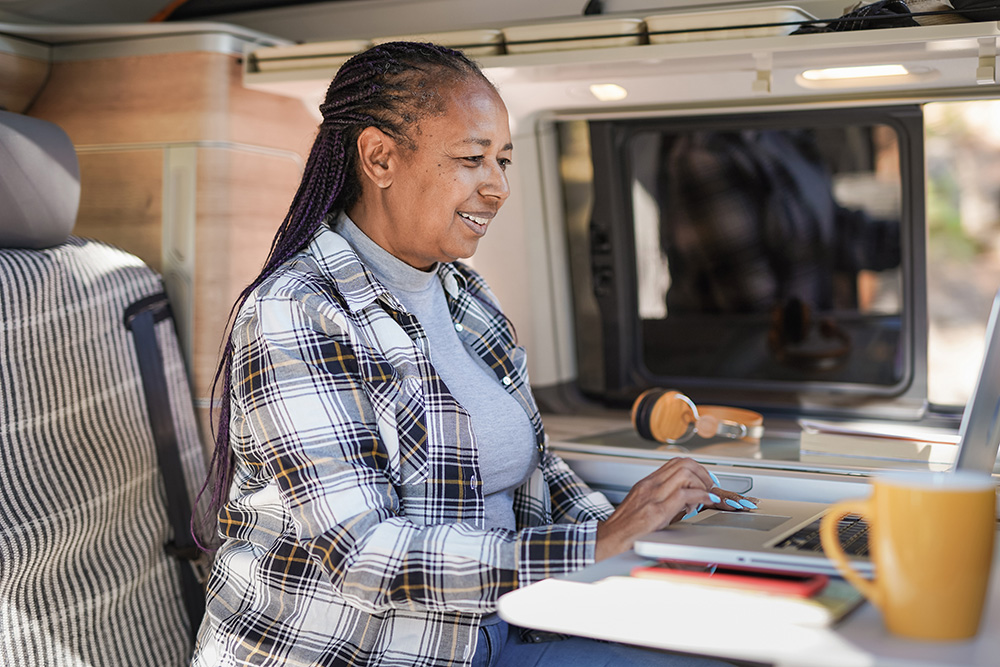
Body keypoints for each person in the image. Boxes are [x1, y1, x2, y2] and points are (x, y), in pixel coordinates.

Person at [192, 41, 751, 667]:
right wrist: (598, 542)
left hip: (496, 624)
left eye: (505, 161)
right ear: (379, 157)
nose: (499, 187)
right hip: (364, 651)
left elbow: (533, 472)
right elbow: (362, 556)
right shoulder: (297, 311)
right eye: (471, 159)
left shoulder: (466, 296)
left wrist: (651, 527)